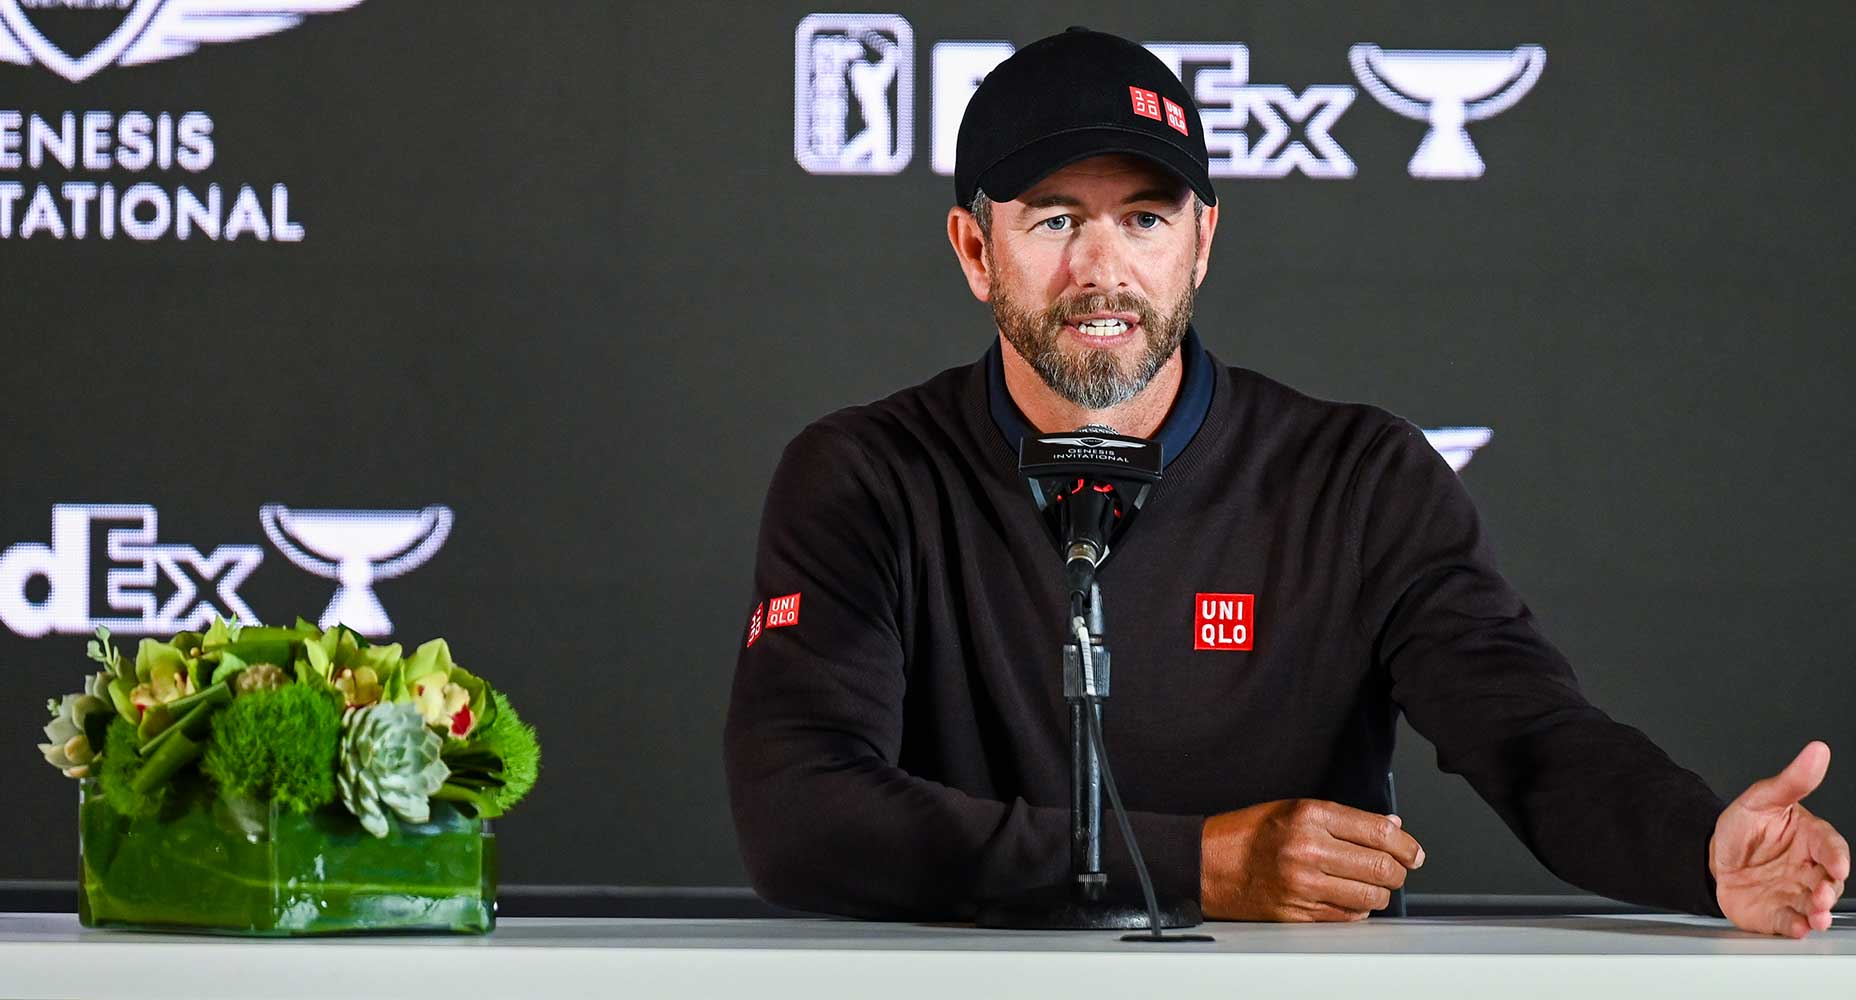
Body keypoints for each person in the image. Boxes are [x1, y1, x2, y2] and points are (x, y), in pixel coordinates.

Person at [724, 27, 1848, 936]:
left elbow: (1527, 733)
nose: (1101, 269)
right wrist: (1199, 863)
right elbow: (800, 812)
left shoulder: (1354, 477)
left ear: (1202, 243)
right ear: (975, 250)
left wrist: (1699, 848)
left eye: (1145, 219)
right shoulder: (865, 474)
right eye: (1054, 220)